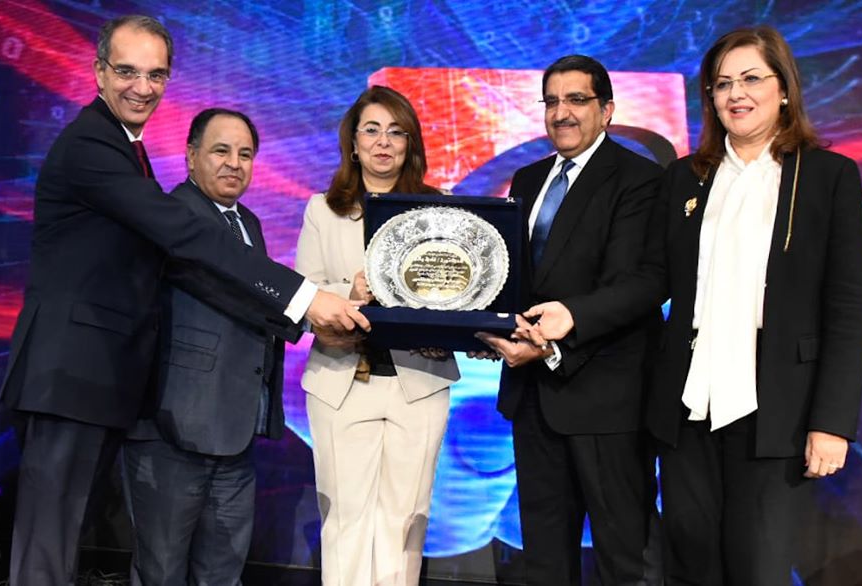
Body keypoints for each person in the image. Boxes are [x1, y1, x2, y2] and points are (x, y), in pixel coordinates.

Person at [0, 15, 367, 586]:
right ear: (99, 73)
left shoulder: (126, 147)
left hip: (94, 381)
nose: (142, 87)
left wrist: (303, 311)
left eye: (156, 74)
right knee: (47, 549)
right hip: (69, 376)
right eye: (127, 71)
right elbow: (186, 237)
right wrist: (303, 296)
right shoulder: (93, 144)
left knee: (63, 541)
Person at [644, 26, 862, 585]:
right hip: (690, 407)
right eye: (722, 84)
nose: (735, 94)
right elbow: (650, 280)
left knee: (758, 569)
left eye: (750, 79)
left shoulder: (828, 176)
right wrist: (570, 317)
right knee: (690, 567)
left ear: (784, 89)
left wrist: (832, 423)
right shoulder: (685, 177)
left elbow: (846, 308)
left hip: (778, 412)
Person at [477, 55, 663, 585]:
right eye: (552, 101)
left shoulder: (641, 179)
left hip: (607, 400)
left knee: (622, 559)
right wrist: (485, 325)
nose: (562, 113)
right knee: (545, 559)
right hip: (532, 397)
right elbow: (514, 278)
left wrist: (556, 341)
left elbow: (642, 284)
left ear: (607, 109)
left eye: (577, 100)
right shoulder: (529, 178)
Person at [295, 85, 460, 586]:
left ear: (411, 144)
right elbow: (303, 294)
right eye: (371, 130)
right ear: (353, 143)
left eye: (396, 132)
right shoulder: (322, 209)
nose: (383, 142)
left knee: (405, 521)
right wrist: (348, 292)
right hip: (343, 382)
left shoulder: (440, 209)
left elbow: (460, 291)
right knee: (345, 520)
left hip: (418, 381)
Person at [121, 108, 282, 585]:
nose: (234, 163)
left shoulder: (249, 222)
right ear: (191, 157)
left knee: (223, 574)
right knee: (161, 572)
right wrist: (310, 310)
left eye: (245, 154)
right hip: (172, 431)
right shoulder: (172, 216)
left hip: (236, 435)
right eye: (221, 151)